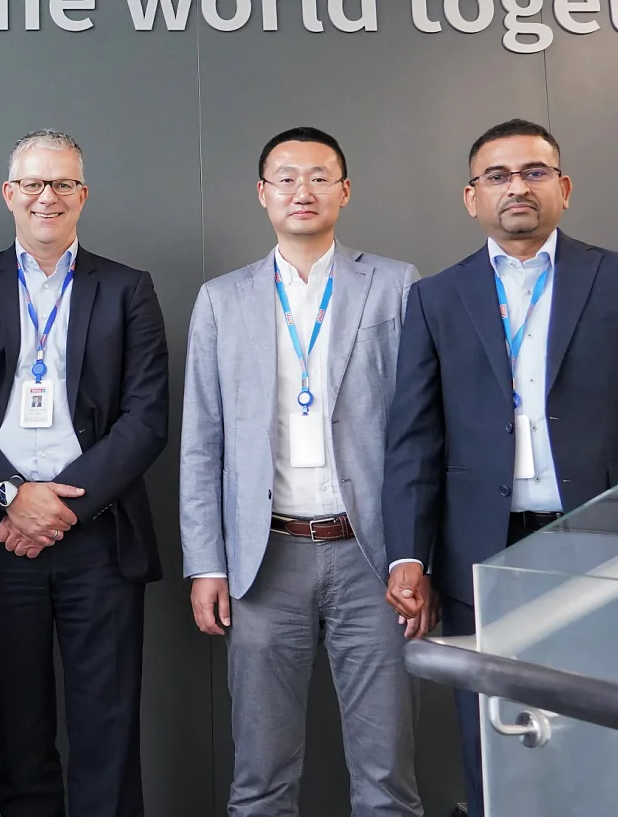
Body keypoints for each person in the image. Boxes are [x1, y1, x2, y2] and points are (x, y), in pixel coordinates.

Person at [382, 118, 618, 817]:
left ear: (563, 187)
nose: (516, 187)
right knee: (502, 765)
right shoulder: (436, 299)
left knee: (612, 765)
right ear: (471, 198)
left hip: (605, 558)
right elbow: (414, 440)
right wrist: (407, 554)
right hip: (482, 565)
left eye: (534, 171)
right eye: (497, 176)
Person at [0, 129, 170, 817]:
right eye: (32, 182)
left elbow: (146, 419)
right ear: (9, 193)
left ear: (82, 195)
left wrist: (60, 506)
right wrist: (12, 498)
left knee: (108, 733)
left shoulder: (127, 289)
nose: (46, 196)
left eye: (62, 183)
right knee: (20, 734)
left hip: (99, 536)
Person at [180, 127, 423, 817]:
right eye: (285, 177)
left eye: (320, 176)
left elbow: (418, 433)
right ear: (262, 194)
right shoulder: (222, 300)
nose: (302, 190)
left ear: (345, 190)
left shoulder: (394, 284)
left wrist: (414, 551)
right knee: (260, 780)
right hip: (265, 560)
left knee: (387, 781)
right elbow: (203, 441)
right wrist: (207, 562)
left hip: (370, 557)